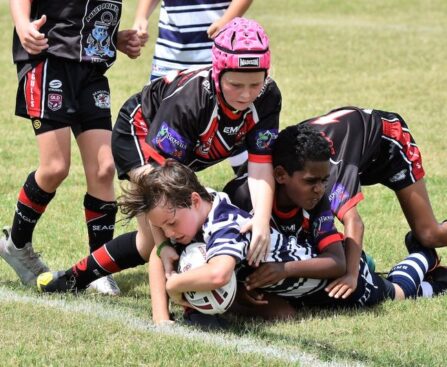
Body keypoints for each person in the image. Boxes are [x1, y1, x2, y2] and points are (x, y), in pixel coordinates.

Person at [36, 18, 280, 306]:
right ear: (217, 73)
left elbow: (261, 164)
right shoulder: (190, 101)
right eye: (235, 84)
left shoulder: (268, 97)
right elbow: (159, 188)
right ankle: (75, 279)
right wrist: (164, 243)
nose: (246, 93)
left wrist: (262, 221)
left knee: (160, 236)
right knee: (157, 238)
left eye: (255, 83)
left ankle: (75, 278)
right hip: (138, 132)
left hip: (182, 156)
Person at [91, 160, 447, 321]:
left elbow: (216, 276)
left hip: (336, 285)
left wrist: (176, 285)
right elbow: (158, 253)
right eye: (163, 228)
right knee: (281, 315)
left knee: (395, 291)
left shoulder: (224, 224)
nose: (169, 233)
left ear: (194, 201)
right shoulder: (193, 212)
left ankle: (424, 258)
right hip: (298, 293)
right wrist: (161, 320)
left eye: (170, 224)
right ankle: (423, 262)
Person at [0, 0, 142, 294]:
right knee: (55, 168)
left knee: (104, 168)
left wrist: (115, 37)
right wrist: (22, 23)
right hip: (49, 59)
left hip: (91, 68)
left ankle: (100, 267)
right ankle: (16, 244)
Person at [295, 107, 447, 300]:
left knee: (430, 234)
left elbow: (354, 222)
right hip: (353, 150)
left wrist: (351, 275)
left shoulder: (323, 174)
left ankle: (422, 248)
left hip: (389, 140)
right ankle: (421, 253)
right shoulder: (291, 162)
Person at [132, 0, 254, 173]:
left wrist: (227, 20)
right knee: (159, 126)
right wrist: (141, 17)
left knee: (230, 120)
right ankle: (161, 186)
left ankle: (249, 181)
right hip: (170, 52)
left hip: (214, 51)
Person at [132, 0, 253, 80]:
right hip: (168, 57)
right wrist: (141, 17)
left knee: (211, 115)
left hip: (213, 57)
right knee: (163, 116)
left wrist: (227, 20)